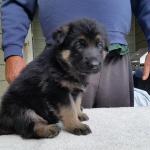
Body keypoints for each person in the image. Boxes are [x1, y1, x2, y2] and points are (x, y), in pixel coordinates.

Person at [1, 0, 150, 108]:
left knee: (119, 133)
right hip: (61, 62)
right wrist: (13, 52)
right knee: (66, 135)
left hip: (114, 56)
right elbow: (16, 2)